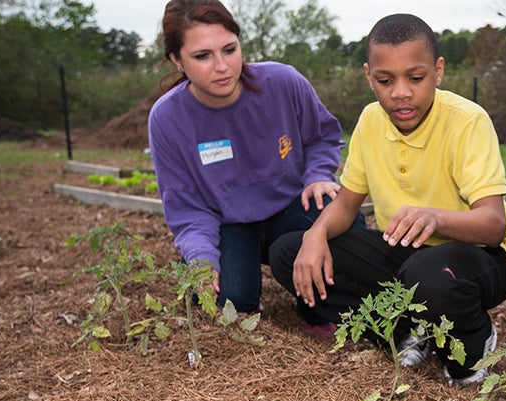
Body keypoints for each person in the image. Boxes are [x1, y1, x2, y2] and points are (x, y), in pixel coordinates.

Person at [268, 13, 506, 385]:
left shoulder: (467, 121)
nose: (400, 92)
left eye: (415, 78)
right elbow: (346, 203)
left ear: (438, 71)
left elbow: (493, 226)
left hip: (478, 257)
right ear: (370, 76)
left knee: (428, 276)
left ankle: (476, 339)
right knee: (288, 253)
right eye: (386, 80)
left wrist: (435, 218)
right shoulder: (371, 121)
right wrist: (315, 235)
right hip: (406, 255)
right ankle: (404, 331)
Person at [147, 0, 362, 324]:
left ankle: (317, 310)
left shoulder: (283, 82)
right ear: (177, 60)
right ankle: (226, 274)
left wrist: (317, 174)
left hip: (293, 207)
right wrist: (202, 259)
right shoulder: (167, 119)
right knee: (229, 302)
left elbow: (322, 136)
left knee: (340, 215)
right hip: (228, 223)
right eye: (203, 56)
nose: (222, 66)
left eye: (229, 49)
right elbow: (186, 207)